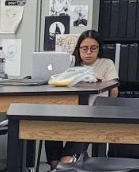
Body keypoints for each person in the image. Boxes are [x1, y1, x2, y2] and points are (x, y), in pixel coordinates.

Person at [47, 30, 120, 165]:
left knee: (80, 130)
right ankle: (57, 168)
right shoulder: (72, 64)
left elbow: (114, 92)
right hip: (69, 112)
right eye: (84, 48)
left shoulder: (106, 64)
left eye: (93, 48)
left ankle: (63, 166)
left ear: (99, 49)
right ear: (78, 49)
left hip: (92, 114)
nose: (88, 52)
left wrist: (101, 82)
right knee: (50, 127)